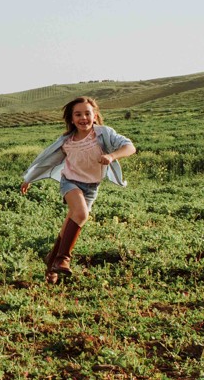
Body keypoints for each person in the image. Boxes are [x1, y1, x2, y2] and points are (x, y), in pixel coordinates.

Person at [21, 96, 135, 284]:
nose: (83, 118)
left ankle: (51, 264)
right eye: (78, 114)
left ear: (95, 115)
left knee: (70, 225)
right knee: (81, 214)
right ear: (71, 119)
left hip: (91, 187)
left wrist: (112, 156)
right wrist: (29, 179)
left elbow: (130, 147)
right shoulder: (66, 141)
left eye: (87, 113)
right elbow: (47, 161)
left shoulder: (103, 134)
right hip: (70, 183)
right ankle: (63, 259)